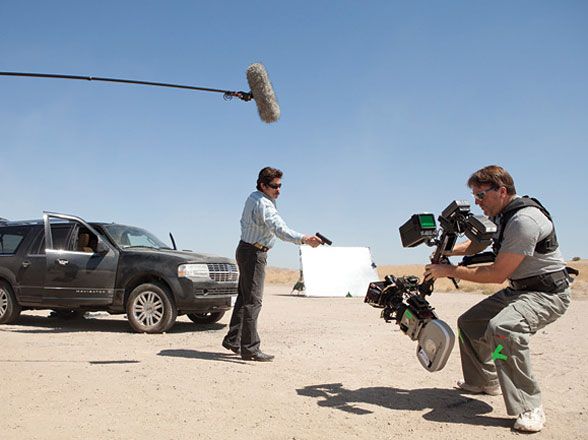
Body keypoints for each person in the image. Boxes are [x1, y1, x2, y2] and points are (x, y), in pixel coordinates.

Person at [423, 165, 572, 433]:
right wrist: (447, 252)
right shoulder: (503, 216)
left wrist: (448, 271)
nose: (477, 202)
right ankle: (483, 381)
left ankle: (530, 406)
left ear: (502, 191)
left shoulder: (523, 221)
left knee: (503, 329)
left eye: (481, 195)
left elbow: (496, 273)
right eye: (475, 196)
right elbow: (477, 244)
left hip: (547, 293)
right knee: (470, 324)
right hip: (520, 289)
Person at [222, 167, 322, 362]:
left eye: (280, 186)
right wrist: (305, 239)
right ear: (263, 185)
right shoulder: (264, 205)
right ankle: (250, 348)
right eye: (274, 186)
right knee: (253, 301)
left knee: (244, 298)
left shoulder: (254, 197)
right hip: (254, 253)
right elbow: (280, 229)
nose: (278, 190)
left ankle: (234, 340)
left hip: (245, 249)